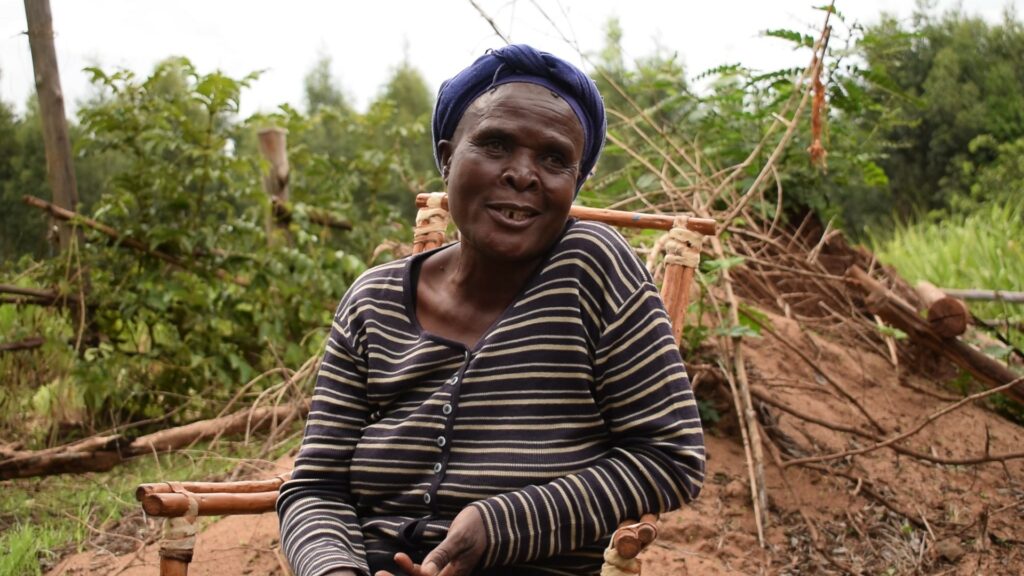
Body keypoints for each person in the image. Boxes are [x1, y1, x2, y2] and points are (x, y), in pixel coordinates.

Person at [277, 44, 705, 576]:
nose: (523, 174)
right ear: (447, 157)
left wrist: (501, 526)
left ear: (576, 183)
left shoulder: (593, 270)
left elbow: (671, 457)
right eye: (495, 144)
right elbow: (316, 485)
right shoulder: (373, 301)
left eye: (554, 159)